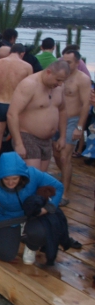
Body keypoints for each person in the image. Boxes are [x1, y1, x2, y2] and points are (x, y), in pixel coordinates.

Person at [0, 152, 80, 266]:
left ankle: (32, 246)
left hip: (33, 216)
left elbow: (58, 187)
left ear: (21, 175)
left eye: (15, 178)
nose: (10, 183)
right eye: (6, 179)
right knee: (4, 254)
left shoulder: (33, 174)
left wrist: (48, 208)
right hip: (9, 219)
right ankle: (1, 236)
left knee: (41, 231)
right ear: (0, 176)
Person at [8, 60, 69, 172]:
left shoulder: (59, 87)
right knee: (33, 177)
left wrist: (63, 136)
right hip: (27, 136)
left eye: (62, 81)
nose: (60, 84)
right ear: (49, 72)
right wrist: (18, 143)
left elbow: (63, 110)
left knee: (41, 178)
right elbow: (12, 114)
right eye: (58, 80)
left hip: (47, 140)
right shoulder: (30, 84)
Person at [0, 43, 33, 181]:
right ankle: (19, 180)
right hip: (17, 108)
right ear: (22, 54)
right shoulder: (26, 66)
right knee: (20, 144)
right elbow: (31, 89)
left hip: (0, 104)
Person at [52, 49, 92, 202]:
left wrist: (80, 128)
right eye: (63, 60)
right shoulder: (60, 76)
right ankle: (65, 177)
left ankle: (64, 194)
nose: (65, 64)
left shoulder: (82, 79)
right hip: (56, 119)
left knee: (64, 157)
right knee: (56, 154)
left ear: (77, 63)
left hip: (72, 120)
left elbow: (85, 104)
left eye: (69, 62)